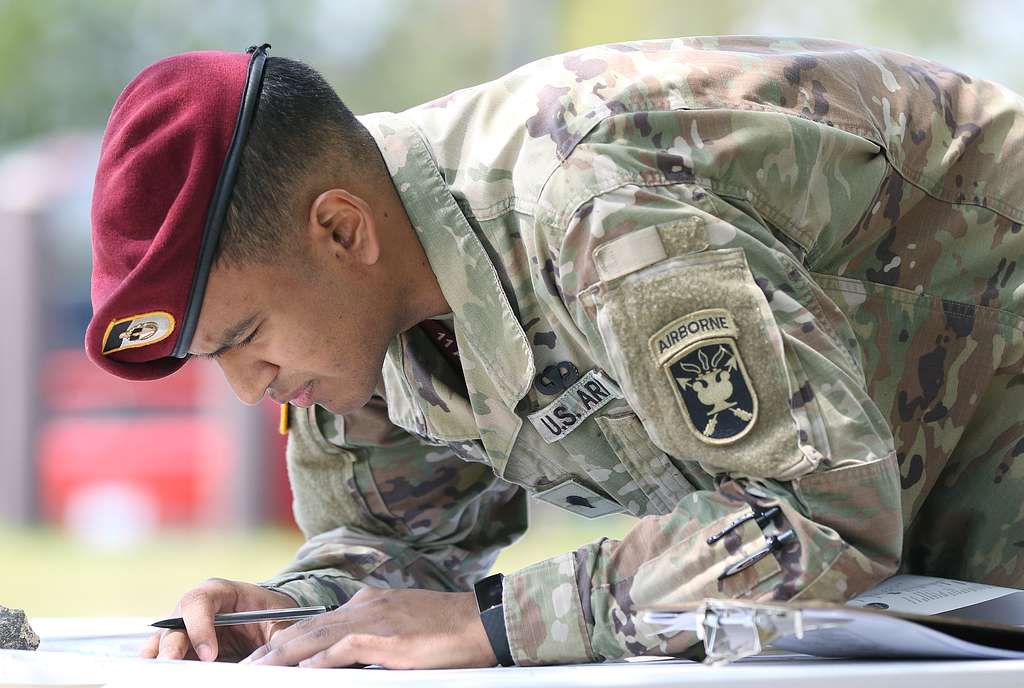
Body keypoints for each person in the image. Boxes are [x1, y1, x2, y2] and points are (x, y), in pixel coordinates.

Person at [86, 37, 1024, 669]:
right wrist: (298, 610)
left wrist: (494, 624)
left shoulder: (591, 205)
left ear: (340, 230)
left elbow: (816, 520)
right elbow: (403, 543)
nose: (248, 388)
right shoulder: (352, 326)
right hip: (914, 451)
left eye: (244, 338)